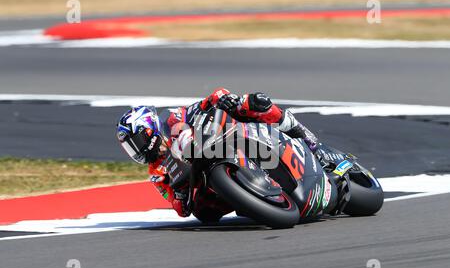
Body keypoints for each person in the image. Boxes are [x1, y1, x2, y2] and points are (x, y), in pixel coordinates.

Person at [116, 88, 319, 219]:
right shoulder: (156, 172)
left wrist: (224, 98)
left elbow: (209, 100)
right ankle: (253, 198)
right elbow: (179, 209)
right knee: (203, 213)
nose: (137, 150)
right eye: (130, 148)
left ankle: (303, 135)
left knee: (253, 102)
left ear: (149, 129)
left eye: (136, 142)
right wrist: (179, 194)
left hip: (224, 139)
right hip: (209, 181)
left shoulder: (174, 119)